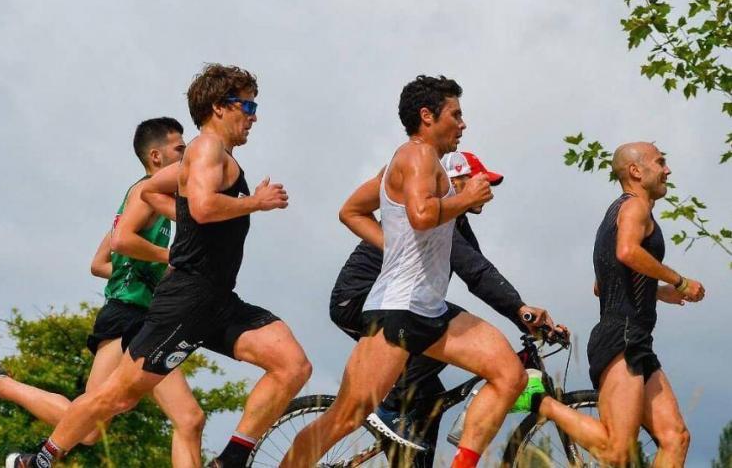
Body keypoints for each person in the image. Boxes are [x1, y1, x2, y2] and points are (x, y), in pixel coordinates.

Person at [6, 64, 312, 468]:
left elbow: (151, 190)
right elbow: (200, 207)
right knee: (118, 396)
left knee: (292, 364)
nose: (254, 115)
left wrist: (187, 216)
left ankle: (232, 459)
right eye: (247, 105)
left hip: (218, 299)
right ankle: (40, 460)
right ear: (219, 107)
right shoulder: (206, 149)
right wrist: (254, 202)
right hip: (186, 299)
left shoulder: (213, 155)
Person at [281, 75, 529, 468]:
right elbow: (422, 215)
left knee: (510, 374)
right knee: (345, 418)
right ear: (427, 116)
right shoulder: (416, 157)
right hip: (398, 310)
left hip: (429, 310)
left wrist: (393, 244)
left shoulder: (422, 163)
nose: (463, 125)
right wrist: (465, 198)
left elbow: (352, 210)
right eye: (456, 115)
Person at [0, 117, 209, 467]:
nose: (187, 155)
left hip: (133, 314)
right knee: (182, 419)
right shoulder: (145, 193)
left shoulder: (147, 200)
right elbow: (121, 244)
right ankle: (0, 387)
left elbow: (102, 262)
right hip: (132, 318)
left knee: (96, 428)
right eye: (180, 149)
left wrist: (148, 274)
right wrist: (171, 262)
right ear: (156, 157)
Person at [329, 150, 565, 467]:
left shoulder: (456, 221)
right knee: (440, 325)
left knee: (430, 399)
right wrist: (520, 308)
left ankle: (410, 450)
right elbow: (476, 272)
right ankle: (391, 408)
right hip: (357, 299)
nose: (489, 191)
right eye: (482, 180)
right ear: (456, 180)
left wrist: (522, 316)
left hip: (396, 302)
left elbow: (480, 272)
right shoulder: (437, 217)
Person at [534, 142, 705, 466]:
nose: (667, 170)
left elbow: (604, 285)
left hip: (634, 338)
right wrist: (679, 281)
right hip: (620, 337)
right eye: (660, 162)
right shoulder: (635, 208)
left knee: (675, 437)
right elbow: (627, 252)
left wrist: (658, 290)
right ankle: (541, 403)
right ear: (636, 171)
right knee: (616, 451)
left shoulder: (617, 212)